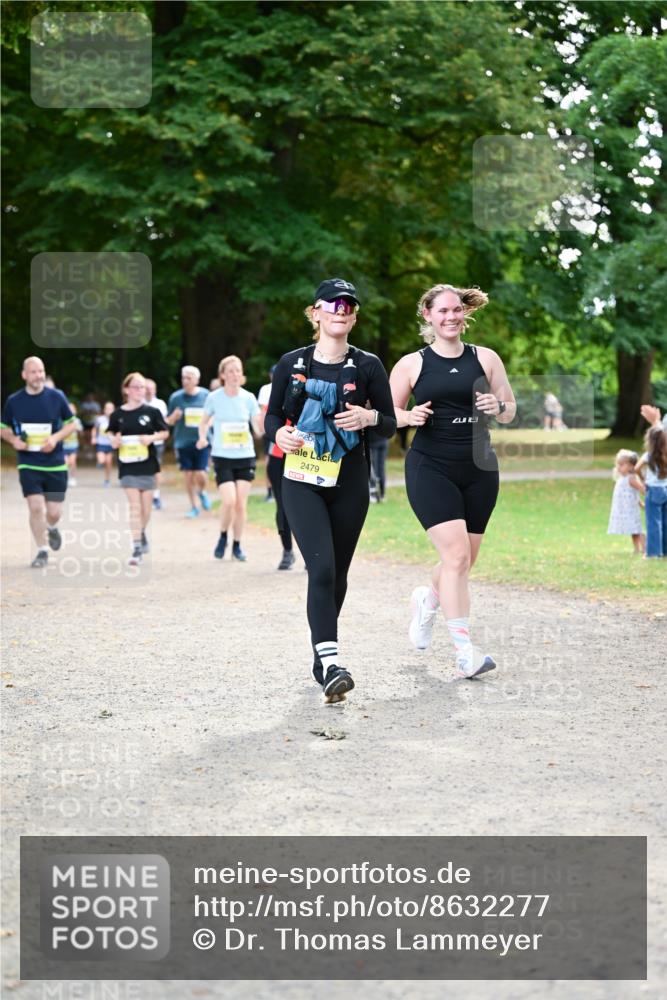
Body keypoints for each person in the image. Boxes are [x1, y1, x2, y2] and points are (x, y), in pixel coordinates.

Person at [265, 278, 397, 701]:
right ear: (315, 312)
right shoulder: (291, 363)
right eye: (332, 304)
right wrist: (280, 437)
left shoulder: (369, 366)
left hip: (350, 482)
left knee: (336, 574)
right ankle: (333, 661)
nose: (341, 310)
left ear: (354, 317)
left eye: (349, 305)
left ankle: (321, 658)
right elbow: (271, 419)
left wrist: (368, 418)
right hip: (301, 480)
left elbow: (391, 423)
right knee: (319, 569)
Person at [390, 282, 516, 679]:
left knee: (462, 561)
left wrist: (498, 406)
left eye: (456, 310)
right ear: (427, 315)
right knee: (457, 558)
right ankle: (465, 653)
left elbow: (510, 409)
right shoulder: (412, 364)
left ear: (465, 314)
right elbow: (386, 413)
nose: (451, 317)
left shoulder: (487, 358)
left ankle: (427, 602)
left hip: (480, 467)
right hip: (431, 466)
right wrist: (408, 417)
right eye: (442, 311)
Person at [0, 356, 76, 567]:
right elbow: (3, 427)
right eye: (34, 372)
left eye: (41, 371)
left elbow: (71, 424)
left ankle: (52, 528)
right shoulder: (14, 401)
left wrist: (54, 438)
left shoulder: (57, 397)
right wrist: (14, 440)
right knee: (35, 507)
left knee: (53, 512)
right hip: (28, 462)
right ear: (24, 375)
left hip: (55, 463)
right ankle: (42, 550)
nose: (39, 375)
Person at [198, 355, 262, 561]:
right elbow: (203, 422)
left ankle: (237, 545)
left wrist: (264, 426)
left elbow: (257, 427)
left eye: (238, 370)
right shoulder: (214, 397)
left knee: (241, 504)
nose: (235, 374)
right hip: (222, 456)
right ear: (223, 375)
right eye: (231, 371)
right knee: (229, 501)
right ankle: (223, 536)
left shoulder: (249, 398)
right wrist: (202, 438)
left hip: (245, 456)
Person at [108, 372, 169, 566]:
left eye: (142, 387)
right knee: (135, 507)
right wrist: (114, 441)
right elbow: (110, 433)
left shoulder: (152, 412)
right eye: (135, 386)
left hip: (148, 464)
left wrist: (150, 438)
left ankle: (141, 532)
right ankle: (136, 548)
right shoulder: (118, 414)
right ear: (126, 389)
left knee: (146, 508)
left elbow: (165, 432)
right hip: (127, 465)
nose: (139, 390)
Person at [260, 366, 296, 570]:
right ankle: (287, 551)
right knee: (282, 506)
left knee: (307, 508)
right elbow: (266, 424)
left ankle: (312, 553)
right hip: (278, 457)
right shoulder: (272, 399)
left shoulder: (308, 395)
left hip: (303, 458)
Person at [166, 365, 211, 518]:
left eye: (189, 378)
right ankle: (193, 507)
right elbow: (168, 421)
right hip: (182, 442)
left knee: (201, 473)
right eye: (183, 377)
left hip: (202, 441)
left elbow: (214, 415)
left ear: (197, 380)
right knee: (188, 475)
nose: (185, 381)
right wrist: (174, 418)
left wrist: (208, 424)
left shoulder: (206, 395)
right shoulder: (175, 398)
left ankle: (202, 491)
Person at [636, 424, 667, 558]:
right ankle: (665, 550)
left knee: (653, 522)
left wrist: (643, 480)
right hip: (665, 488)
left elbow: (637, 468)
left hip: (653, 490)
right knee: (665, 522)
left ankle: (653, 552)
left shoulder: (648, 456)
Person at [607, 450, 645, 554]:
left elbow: (642, 490)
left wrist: (642, 503)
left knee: (637, 529)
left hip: (631, 508)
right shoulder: (621, 478)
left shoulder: (631, 479)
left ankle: (645, 548)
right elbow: (632, 494)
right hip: (625, 508)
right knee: (632, 529)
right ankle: (637, 549)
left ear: (631, 466)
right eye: (617, 464)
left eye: (622, 465)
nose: (618, 467)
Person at [145, 378, 168, 510]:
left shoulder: (160, 404)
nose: (149, 391)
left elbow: (164, 423)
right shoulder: (139, 403)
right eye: (146, 388)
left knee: (155, 469)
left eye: (151, 389)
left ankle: (156, 495)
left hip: (157, 442)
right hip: (141, 443)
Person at [257, 367, 276, 502]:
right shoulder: (266, 389)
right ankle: (269, 491)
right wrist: (263, 429)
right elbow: (262, 411)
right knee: (269, 461)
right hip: (269, 430)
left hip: (283, 429)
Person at [91, 401, 115, 487]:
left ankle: (107, 480)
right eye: (107, 409)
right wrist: (93, 438)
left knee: (108, 462)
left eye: (111, 409)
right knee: (102, 460)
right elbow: (94, 429)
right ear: (104, 410)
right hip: (101, 443)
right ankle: (100, 463)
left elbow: (118, 432)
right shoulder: (99, 419)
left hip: (110, 444)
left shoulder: (115, 420)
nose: (109, 410)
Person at [62, 401, 83, 486]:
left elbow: (81, 432)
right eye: (69, 409)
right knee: (66, 462)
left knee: (73, 462)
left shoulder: (77, 421)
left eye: (72, 409)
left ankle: (73, 478)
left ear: (75, 411)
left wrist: (77, 428)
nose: (70, 410)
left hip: (73, 445)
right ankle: (65, 478)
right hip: (64, 445)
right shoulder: (63, 420)